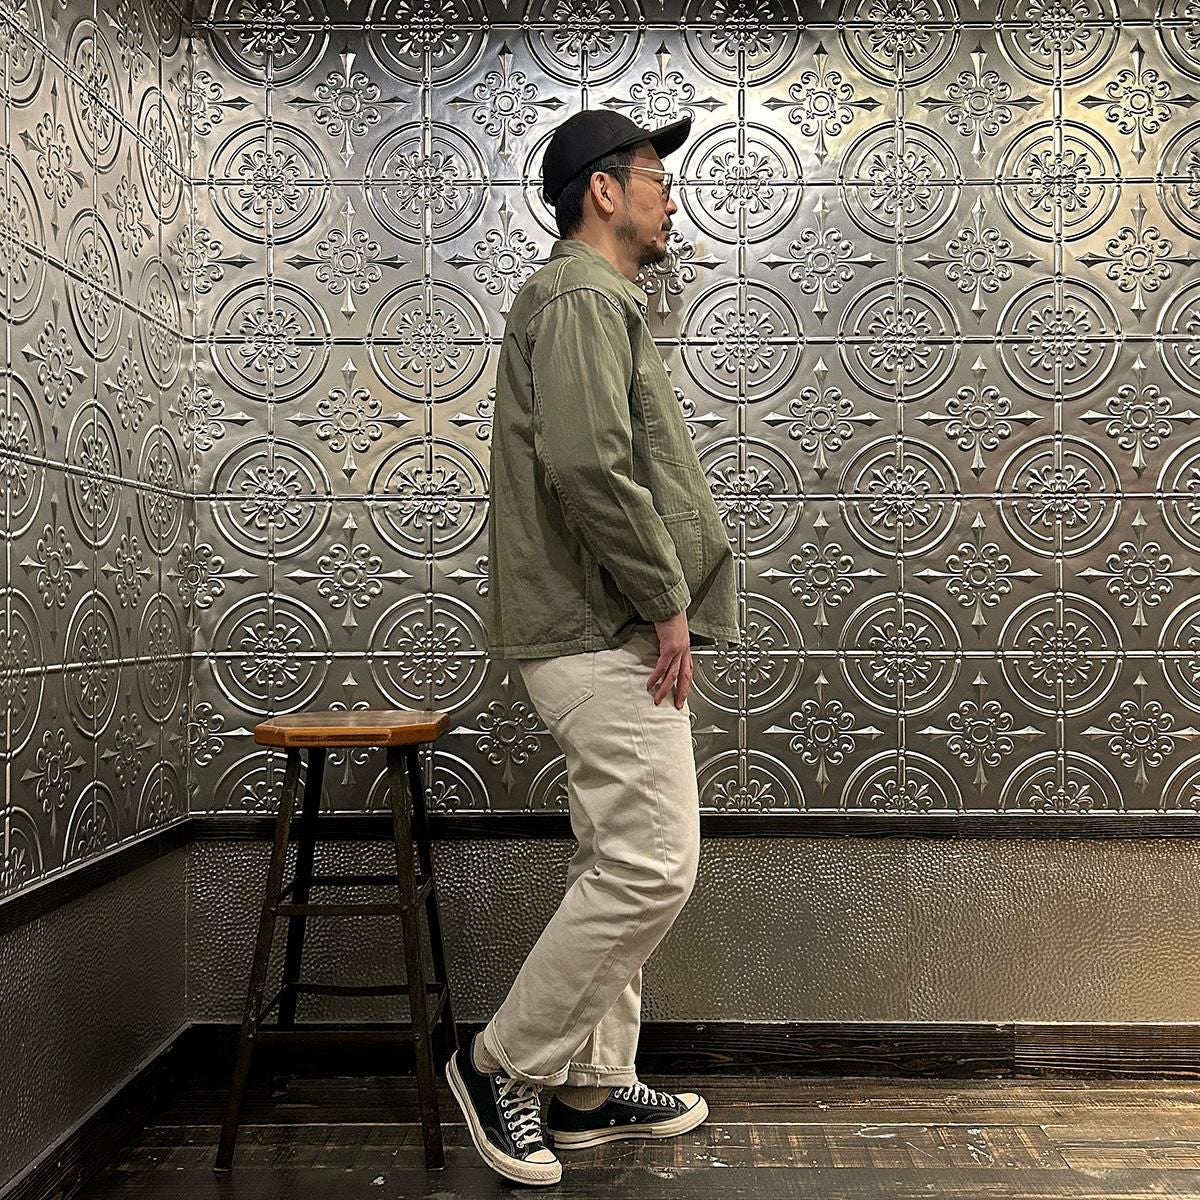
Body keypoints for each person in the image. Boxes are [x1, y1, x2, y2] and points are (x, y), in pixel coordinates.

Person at [445, 109, 740, 1187]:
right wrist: (665, 600)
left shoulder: (594, 299)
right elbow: (587, 463)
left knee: (617, 855)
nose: (672, 198)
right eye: (657, 176)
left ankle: (592, 1084)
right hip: (600, 626)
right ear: (604, 191)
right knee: (654, 864)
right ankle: (500, 1065)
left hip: (602, 626)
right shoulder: (578, 295)